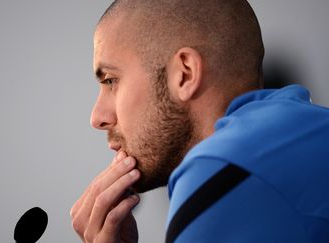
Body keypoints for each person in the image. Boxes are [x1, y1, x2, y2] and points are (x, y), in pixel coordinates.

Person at [70, 0, 329, 242]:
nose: (97, 118)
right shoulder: (290, 136)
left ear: (185, 74)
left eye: (111, 80)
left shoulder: (224, 165)